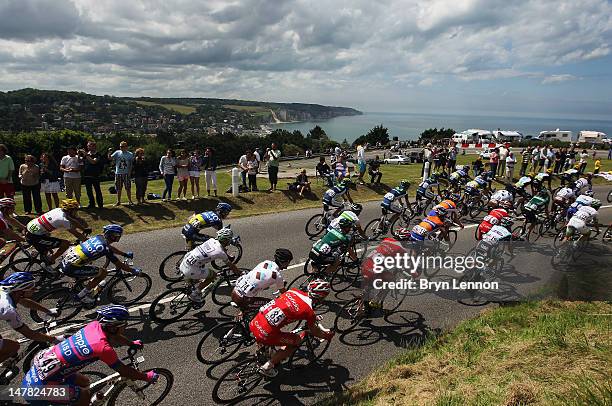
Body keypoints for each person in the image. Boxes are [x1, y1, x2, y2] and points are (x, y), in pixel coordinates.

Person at [22, 304, 158, 406]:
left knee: (85, 382)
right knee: (84, 397)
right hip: (39, 389)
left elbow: (115, 335)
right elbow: (125, 371)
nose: (126, 327)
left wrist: (131, 343)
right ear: (112, 326)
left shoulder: (94, 326)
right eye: (124, 324)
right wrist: (147, 377)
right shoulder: (103, 348)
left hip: (41, 376)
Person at [250, 279, 334, 377]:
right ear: (321, 297)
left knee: (270, 329)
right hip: (266, 333)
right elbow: (315, 331)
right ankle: (267, 367)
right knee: (296, 341)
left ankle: (261, 350)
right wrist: (327, 336)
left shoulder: (293, 291)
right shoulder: (309, 311)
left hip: (255, 321)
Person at [60, 224, 137, 304]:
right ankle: (82, 296)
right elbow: (121, 266)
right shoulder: (105, 249)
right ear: (114, 236)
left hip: (65, 261)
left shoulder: (98, 237)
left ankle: (79, 282)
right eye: (119, 235)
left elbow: (110, 248)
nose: (119, 237)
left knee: (90, 265)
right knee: (103, 273)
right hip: (70, 268)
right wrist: (134, 270)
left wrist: (124, 254)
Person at [0, 272, 62, 365]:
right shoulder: (8, 310)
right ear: (20, 291)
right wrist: (54, 339)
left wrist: (47, 311)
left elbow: (25, 302)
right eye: (31, 288)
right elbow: (29, 333)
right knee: (14, 346)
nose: (35, 289)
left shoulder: (6, 290)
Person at [179, 228, 242, 303]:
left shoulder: (211, 240)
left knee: (202, 268)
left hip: (185, 262)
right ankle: (195, 294)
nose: (230, 241)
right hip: (191, 269)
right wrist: (239, 273)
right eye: (229, 239)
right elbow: (231, 266)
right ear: (225, 240)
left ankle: (190, 282)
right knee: (213, 275)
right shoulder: (220, 252)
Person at [25, 199, 90, 264]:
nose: (76, 212)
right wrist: (88, 241)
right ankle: (50, 260)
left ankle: (40, 250)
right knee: (65, 244)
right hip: (34, 236)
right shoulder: (63, 220)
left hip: (30, 228)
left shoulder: (58, 210)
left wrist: (83, 229)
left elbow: (72, 220)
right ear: (70, 210)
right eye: (75, 210)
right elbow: (77, 234)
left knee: (48, 237)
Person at [108, 141, 134, 206]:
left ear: (126, 147)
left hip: (126, 173)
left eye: (122, 146)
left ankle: (130, 201)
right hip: (118, 173)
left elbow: (131, 164)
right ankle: (118, 201)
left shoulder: (130, 154)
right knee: (118, 188)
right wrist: (109, 153)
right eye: (120, 146)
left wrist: (129, 172)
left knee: (128, 188)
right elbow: (110, 158)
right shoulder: (117, 152)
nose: (121, 148)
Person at [81, 140, 105, 209]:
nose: (88, 147)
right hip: (87, 175)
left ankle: (100, 205)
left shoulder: (98, 154)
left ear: (94, 146)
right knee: (89, 191)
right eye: (88, 146)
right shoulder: (87, 154)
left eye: (90, 145)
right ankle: (92, 204)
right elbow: (80, 161)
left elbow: (93, 162)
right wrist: (79, 155)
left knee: (97, 190)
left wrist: (86, 155)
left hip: (95, 175)